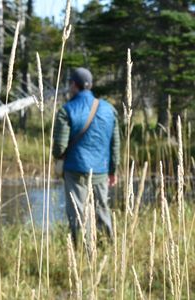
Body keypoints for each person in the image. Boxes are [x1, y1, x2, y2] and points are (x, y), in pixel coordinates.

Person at [53, 67, 120, 243]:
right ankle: (108, 246)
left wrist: (58, 158)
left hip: (75, 170)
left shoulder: (66, 111)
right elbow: (115, 145)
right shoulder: (109, 110)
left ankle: (84, 253)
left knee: (78, 212)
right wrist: (113, 171)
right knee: (102, 209)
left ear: (74, 85)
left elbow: (59, 147)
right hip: (101, 171)